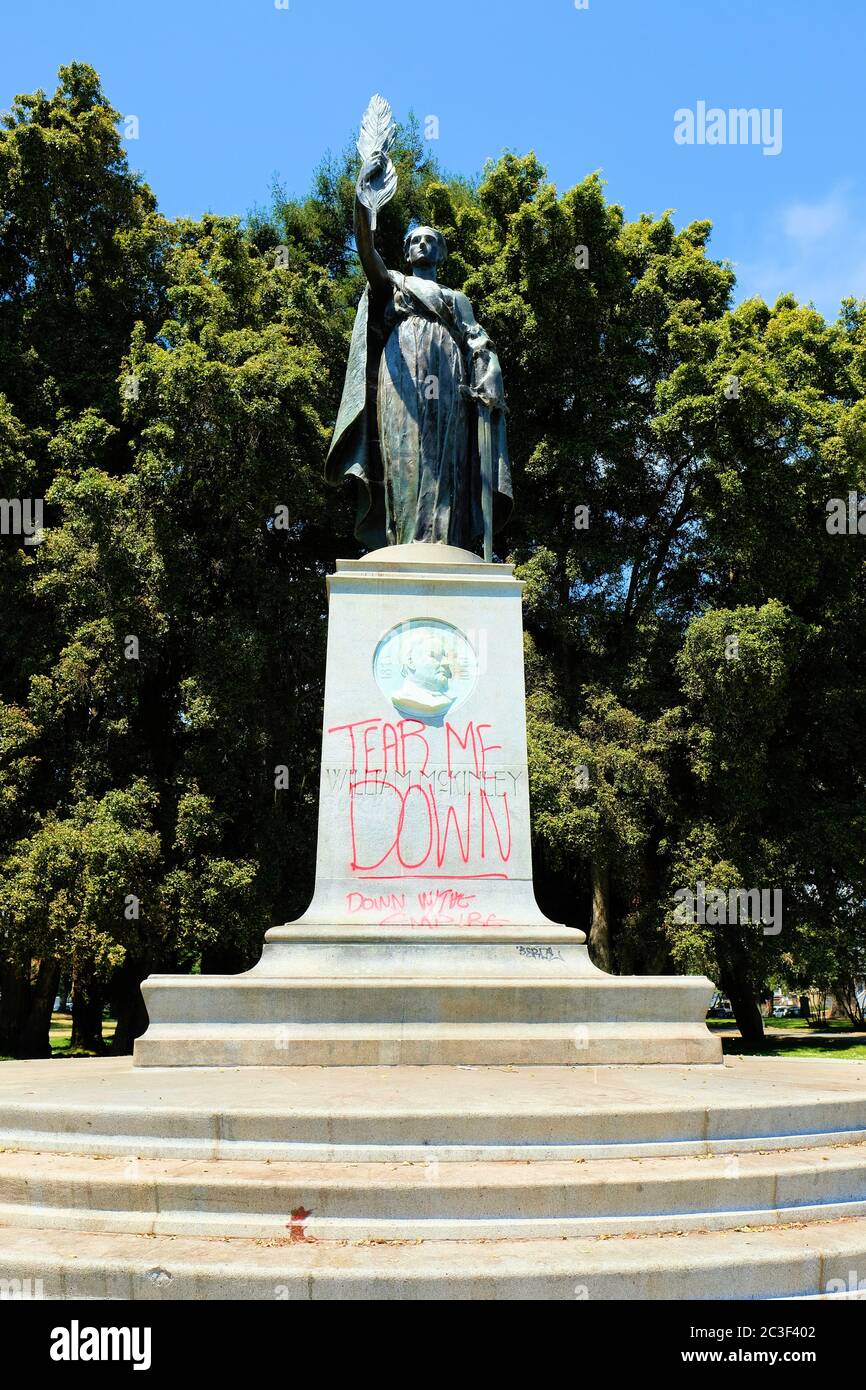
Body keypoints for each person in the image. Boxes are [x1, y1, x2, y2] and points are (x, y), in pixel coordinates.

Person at [326, 152, 513, 551]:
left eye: (430, 240)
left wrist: (490, 373)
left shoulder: (456, 299)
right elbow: (366, 251)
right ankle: (402, 540)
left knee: (447, 455)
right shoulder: (393, 283)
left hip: (449, 376)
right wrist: (363, 199)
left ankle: (447, 541)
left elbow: (477, 339)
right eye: (415, 240)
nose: (422, 244)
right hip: (400, 371)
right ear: (407, 252)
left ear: (441, 253)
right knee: (403, 451)